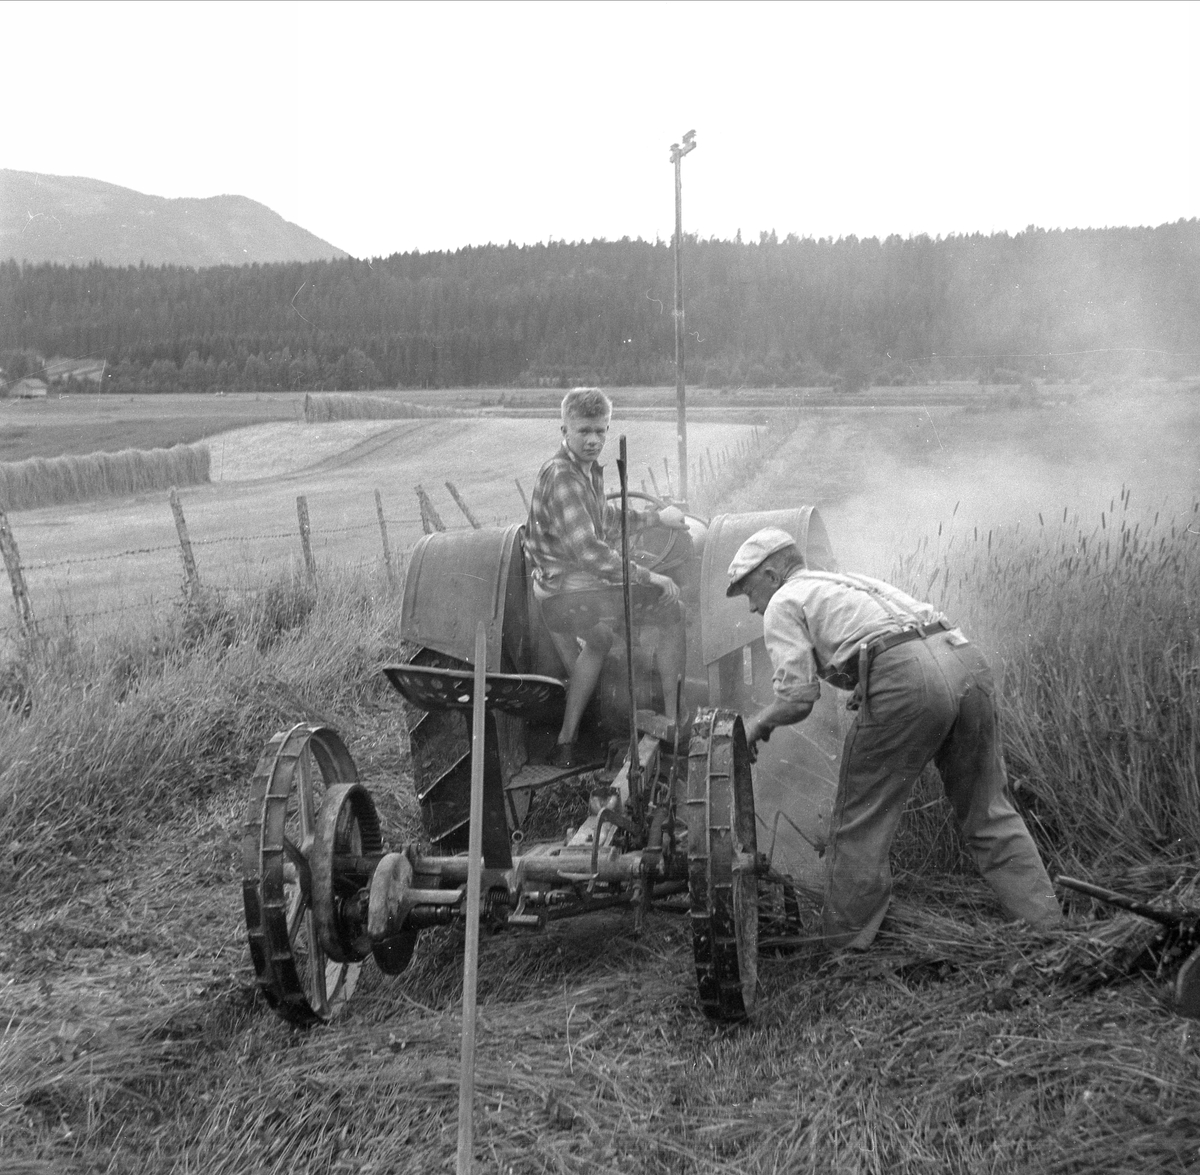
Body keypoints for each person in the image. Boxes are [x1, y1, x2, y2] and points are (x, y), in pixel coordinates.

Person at [724, 526, 1063, 947]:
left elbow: (797, 696)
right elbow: (901, 638)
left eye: (749, 591)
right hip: (965, 662)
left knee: (857, 822)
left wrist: (756, 726)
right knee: (988, 809)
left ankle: (847, 950)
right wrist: (868, 680)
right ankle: (1049, 926)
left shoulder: (783, 602)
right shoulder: (845, 582)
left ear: (772, 575)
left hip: (909, 678)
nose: (753, 607)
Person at [524, 388, 689, 768]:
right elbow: (591, 552)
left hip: (559, 587)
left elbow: (606, 522)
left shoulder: (586, 471)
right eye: (584, 431)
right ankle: (674, 723)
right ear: (563, 428)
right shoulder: (563, 475)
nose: (593, 440)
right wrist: (649, 576)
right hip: (569, 587)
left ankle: (566, 742)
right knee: (672, 606)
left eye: (600, 431)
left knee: (598, 639)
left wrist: (655, 518)